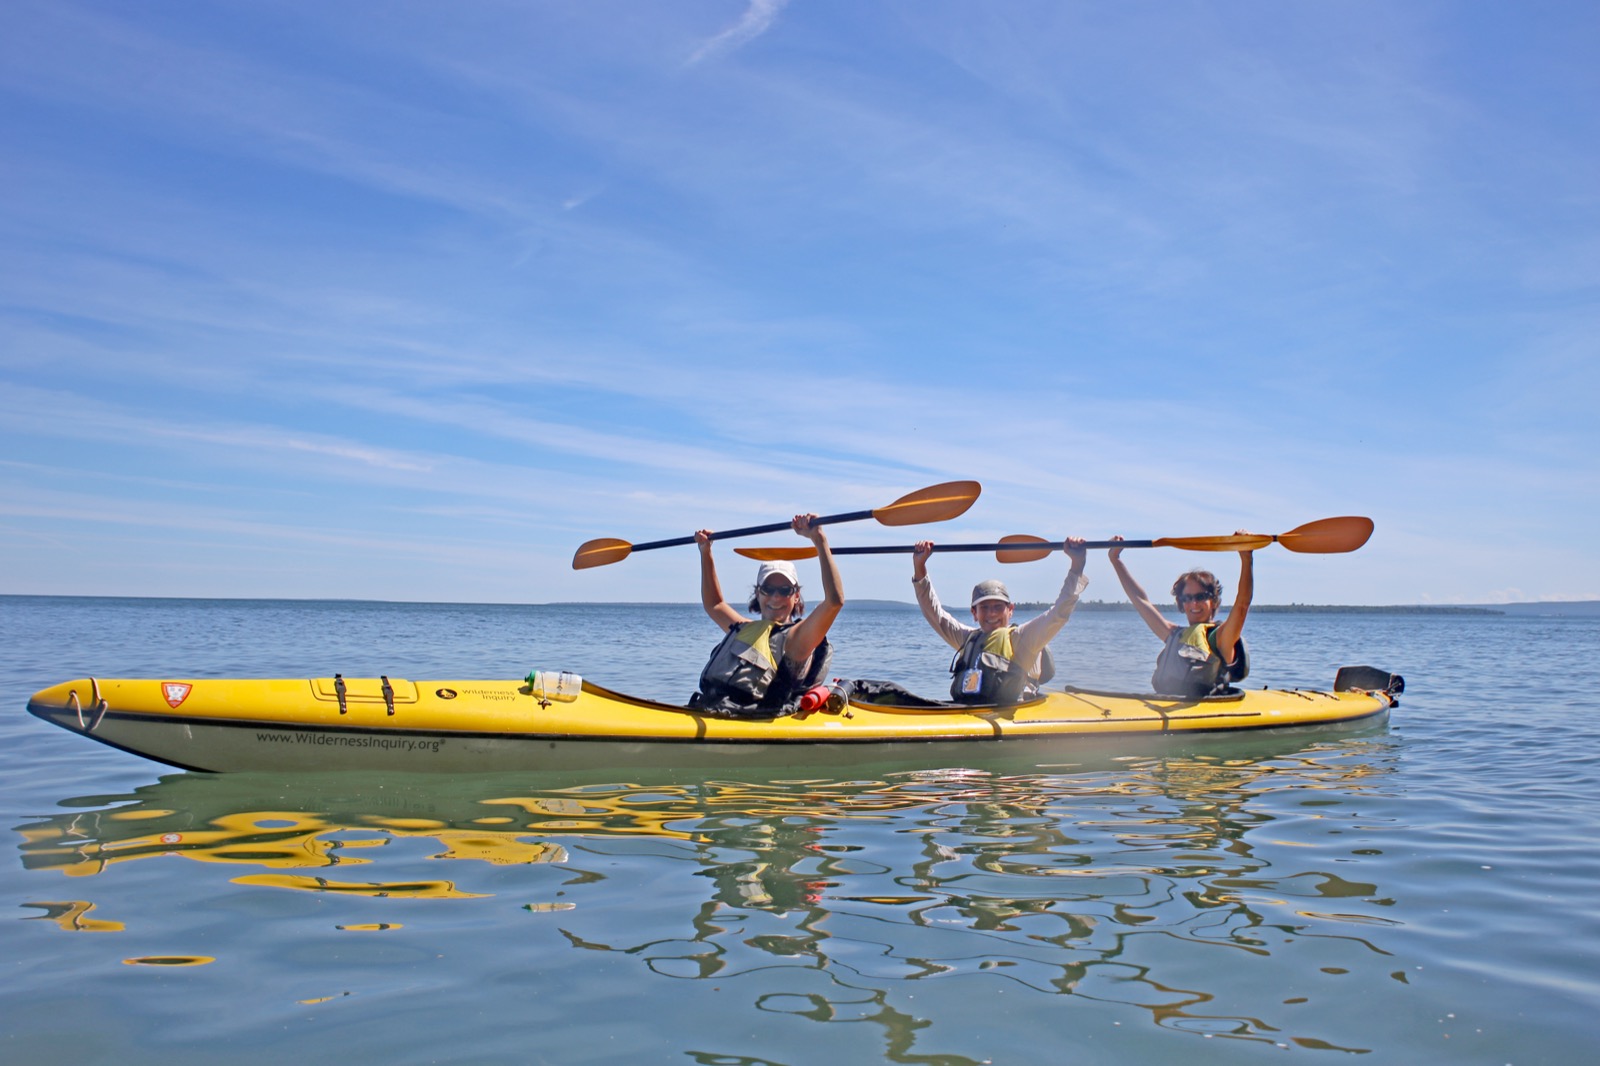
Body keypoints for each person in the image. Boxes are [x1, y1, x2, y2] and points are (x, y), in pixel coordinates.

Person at [689, 514, 844, 717]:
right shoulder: (743, 628)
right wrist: (705, 550)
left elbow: (834, 602)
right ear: (758, 593)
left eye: (785, 590)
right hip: (711, 708)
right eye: (768, 589)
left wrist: (819, 539)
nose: (775, 597)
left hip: (753, 719)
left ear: (796, 596)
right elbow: (714, 604)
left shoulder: (797, 638)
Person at [910, 538, 1088, 704]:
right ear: (974, 613)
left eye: (998, 607)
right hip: (970, 713)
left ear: (1010, 610)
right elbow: (934, 614)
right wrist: (920, 567)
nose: (992, 613)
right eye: (985, 607)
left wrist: (1077, 565)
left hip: (1013, 716)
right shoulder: (968, 639)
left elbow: (1059, 613)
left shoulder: (1023, 638)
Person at [1107, 535, 1254, 697]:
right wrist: (1115, 560)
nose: (1194, 604)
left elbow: (1242, 604)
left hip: (1202, 711)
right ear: (1181, 602)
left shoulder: (1221, 637)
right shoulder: (1173, 634)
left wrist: (1246, 558)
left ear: (1213, 601)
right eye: (1187, 598)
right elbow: (1140, 600)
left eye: (1200, 597)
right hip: (1164, 705)